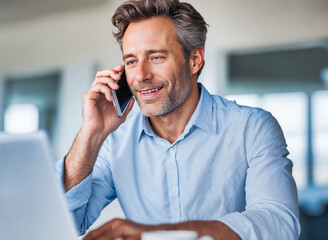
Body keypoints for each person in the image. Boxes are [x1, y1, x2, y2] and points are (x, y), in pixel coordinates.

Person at [55, 0, 300, 239]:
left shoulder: (252, 128)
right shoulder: (115, 143)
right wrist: (92, 131)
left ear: (194, 60)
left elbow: (278, 221)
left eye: (156, 57)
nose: (141, 75)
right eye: (131, 61)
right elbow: (65, 220)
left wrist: (160, 234)